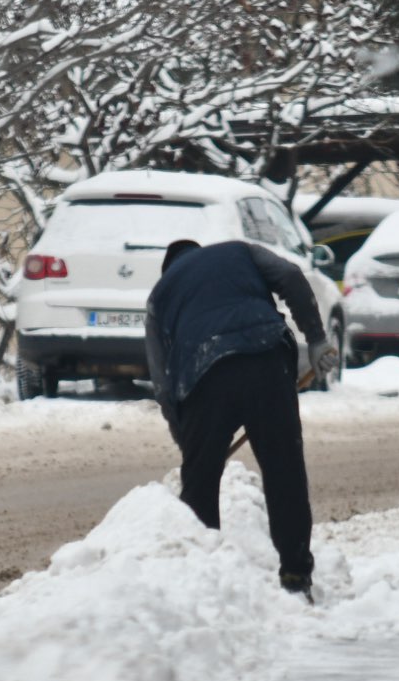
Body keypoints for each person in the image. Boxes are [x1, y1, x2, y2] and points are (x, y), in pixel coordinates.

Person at [144, 238, 339, 599]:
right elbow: (291, 276)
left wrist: (188, 440)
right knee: (284, 470)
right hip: (264, 357)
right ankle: (296, 575)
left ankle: (205, 581)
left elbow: (162, 383)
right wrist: (316, 338)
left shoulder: (159, 297)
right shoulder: (239, 251)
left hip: (202, 377)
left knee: (199, 482)